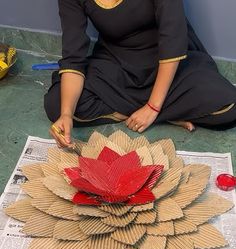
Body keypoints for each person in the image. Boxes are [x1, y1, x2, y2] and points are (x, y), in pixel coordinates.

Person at [45, 0, 236, 148]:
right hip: (116, 63)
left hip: (168, 62)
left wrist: (152, 107)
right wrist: (66, 114)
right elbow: (74, 58)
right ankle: (168, 112)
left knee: (228, 106)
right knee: (56, 104)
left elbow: (172, 41)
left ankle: (152, 111)